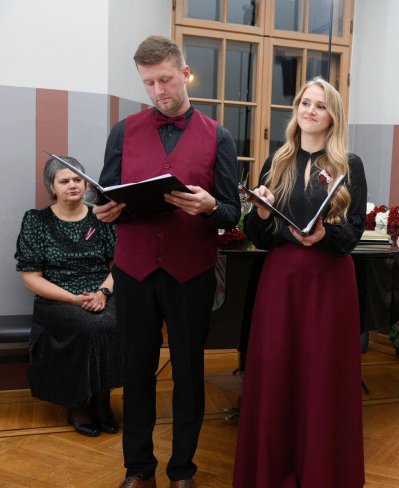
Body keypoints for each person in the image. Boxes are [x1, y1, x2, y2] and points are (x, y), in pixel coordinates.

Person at [93, 35, 241, 488]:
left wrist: (210, 207)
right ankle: (139, 469)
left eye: (165, 79)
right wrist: (104, 210)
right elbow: (106, 194)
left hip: (190, 272)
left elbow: (232, 212)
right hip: (134, 270)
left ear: (185, 74)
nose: (158, 90)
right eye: (149, 82)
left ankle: (183, 471)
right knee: (136, 372)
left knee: (189, 375)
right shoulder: (123, 132)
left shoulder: (219, 136)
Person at [232, 77, 367, 487]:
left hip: (329, 283)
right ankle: (272, 471)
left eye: (320, 105)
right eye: (305, 103)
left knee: (323, 377)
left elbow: (353, 231)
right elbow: (259, 237)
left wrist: (325, 234)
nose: (310, 110)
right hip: (281, 281)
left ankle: (323, 473)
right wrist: (259, 213)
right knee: (276, 372)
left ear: (333, 115)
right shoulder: (277, 161)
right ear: (296, 109)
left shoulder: (349, 164)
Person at [15, 156, 121, 438]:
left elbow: (118, 266)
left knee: (113, 323)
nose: (73, 185)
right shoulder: (36, 220)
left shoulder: (101, 217)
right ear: (52, 186)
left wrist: (103, 292)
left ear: (86, 184)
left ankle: (102, 400)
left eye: (77, 179)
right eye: (64, 181)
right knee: (87, 326)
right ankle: (77, 403)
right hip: (57, 297)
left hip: (101, 291)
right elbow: (31, 278)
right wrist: (74, 299)